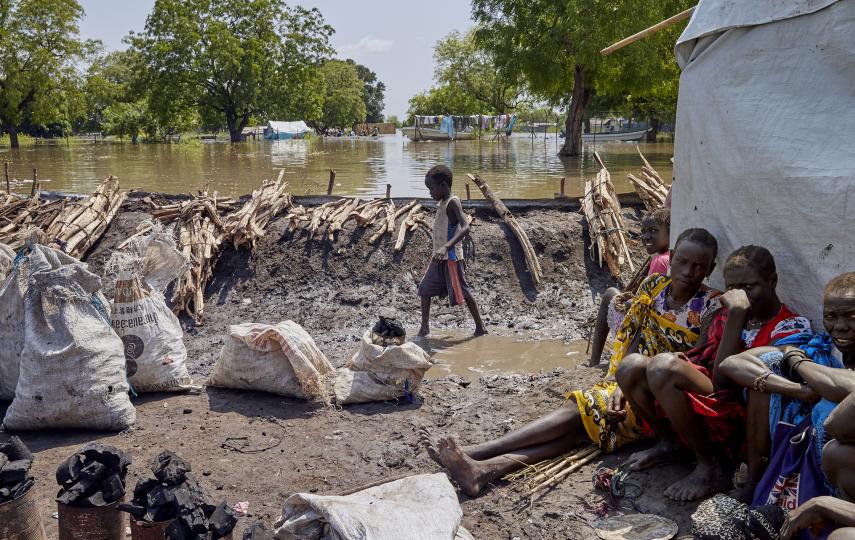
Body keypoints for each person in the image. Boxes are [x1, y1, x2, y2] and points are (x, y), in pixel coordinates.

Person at [420, 228, 721, 496]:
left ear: (710, 269)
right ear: (672, 257)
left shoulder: (710, 307)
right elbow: (633, 338)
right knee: (579, 433)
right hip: (629, 384)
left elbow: (694, 364)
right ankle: (483, 470)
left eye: (699, 266)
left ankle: (480, 452)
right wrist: (619, 384)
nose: (688, 271)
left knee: (580, 409)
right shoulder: (653, 287)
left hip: (660, 399)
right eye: (682, 261)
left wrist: (629, 386)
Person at [615, 245, 811, 502]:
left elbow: (723, 379)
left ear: (772, 281)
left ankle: (710, 467)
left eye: (749, 287)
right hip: (712, 401)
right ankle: (669, 443)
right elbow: (703, 356)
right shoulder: (720, 314)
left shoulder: (789, 327)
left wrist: (736, 314)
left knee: (663, 367)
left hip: (744, 414)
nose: (740, 296)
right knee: (631, 366)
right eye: (733, 289)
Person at [718, 272, 855, 505]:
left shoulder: (804, 355)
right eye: (830, 316)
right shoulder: (818, 346)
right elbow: (731, 364)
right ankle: (755, 482)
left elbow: (847, 387)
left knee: (826, 405)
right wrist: (798, 390)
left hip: (840, 459)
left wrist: (799, 363)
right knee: (762, 383)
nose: (840, 326)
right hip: (802, 440)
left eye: (852, 316)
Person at [590, 207, 671, 365]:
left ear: (669, 231)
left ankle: (594, 362)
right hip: (662, 332)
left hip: (645, 337)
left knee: (609, 294)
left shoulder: (660, 260)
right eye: (644, 231)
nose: (646, 236)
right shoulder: (672, 256)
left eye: (653, 230)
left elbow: (646, 305)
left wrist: (629, 303)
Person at [417, 165, 486, 337]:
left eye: (431, 188)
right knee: (425, 289)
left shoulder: (453, 202)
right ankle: (424, 328)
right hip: (439, 257)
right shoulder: (442, 203)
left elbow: (465, 228)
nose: (430, 193)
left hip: (452, 258)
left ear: (443, 185)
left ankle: (480, 327)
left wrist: (447, 246)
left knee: (462, 290)